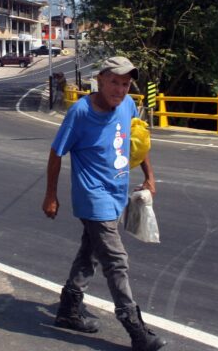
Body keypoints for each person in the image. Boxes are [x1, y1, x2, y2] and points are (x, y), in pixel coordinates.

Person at [43, 56, 167, 351]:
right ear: (99, 79)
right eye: (114, 82)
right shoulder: (81, 112)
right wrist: (50, 195)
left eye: (125, 84)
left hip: (116, 193)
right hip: (92, 196)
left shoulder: (127, 105)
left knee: (91, 253)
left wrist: (150, 176)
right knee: (116, 260)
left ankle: (69, 309)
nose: (120, 89)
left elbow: (137, 139)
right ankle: (135, 329)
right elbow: (56, 152)